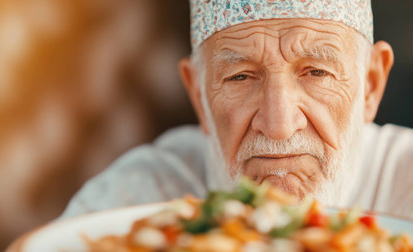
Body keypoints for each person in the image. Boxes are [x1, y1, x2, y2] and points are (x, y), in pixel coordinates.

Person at [61, 0, 413, 219]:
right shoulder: (135, 204)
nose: (278, 125)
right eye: (241, 76)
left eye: (317, 72)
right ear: (199, 95)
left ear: (370, 84)